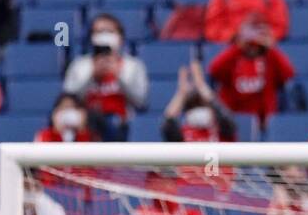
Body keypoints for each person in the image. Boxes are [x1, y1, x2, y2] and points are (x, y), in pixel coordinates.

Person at [62, 13, 148, 141]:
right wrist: (92, 74)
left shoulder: (133, 66)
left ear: (120, 37)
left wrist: (118, 75)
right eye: (99, 32)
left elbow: (141, 101)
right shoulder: (80, 65)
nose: (104, 36)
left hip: (122, 127)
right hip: (85, 127)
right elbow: (68, 99)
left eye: (109, 31)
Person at [207, 19, 296, 124]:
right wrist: (238, 47)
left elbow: (289, 73)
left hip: (263, 121)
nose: (253, 44)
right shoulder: (233, 57)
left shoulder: (270, 58)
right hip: (232, 121)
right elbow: (214, 69)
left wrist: (271, 48)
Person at [161, 62, 238, 143]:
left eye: (203, 106)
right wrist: (181, 94)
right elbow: (168, 123)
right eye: (193, 107)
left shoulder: (223, 130)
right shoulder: (183, 134)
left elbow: (225, 117)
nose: (199, 110)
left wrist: (201, 86)